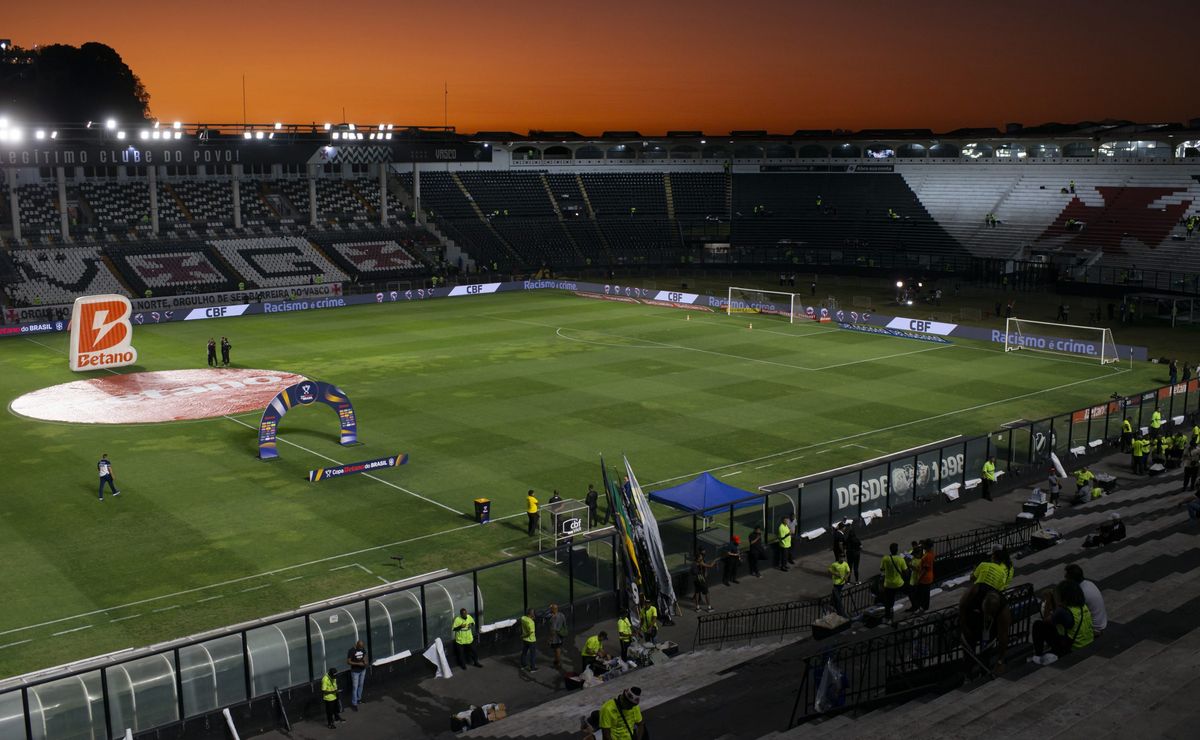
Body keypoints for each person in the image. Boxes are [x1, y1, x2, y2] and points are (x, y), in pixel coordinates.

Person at [1031, 581, 1094, 665]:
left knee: (1038, 625)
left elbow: (1045, 620)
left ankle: (1038, 655)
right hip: (1087, 642)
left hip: (1072, 647)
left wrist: (1048, 600)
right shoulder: (1082, 606)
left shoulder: (1062, 612)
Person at [1064, 564, 1107, 636]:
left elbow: (1071, 611)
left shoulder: (1080, 592)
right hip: (1101, 622)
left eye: (1067, 578)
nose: (1065, 579)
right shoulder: (1089, 583)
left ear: (1072, 580)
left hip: (1094, 628)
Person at [879, 543, 907, 624]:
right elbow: (905, 570)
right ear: (897, 550)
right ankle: (915, 606)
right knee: (909, 592)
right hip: (899, 583)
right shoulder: (900, 559)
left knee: (888, 602)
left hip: (888, 584)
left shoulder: (885, 558)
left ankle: (888, 618)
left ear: (890, 550)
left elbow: (881, 569)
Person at [912, 539, 935, 615]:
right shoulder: (929, 553)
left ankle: (922, 608)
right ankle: (924, 607)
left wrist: (919, 579)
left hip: (925, 578)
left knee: (921, 594)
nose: (923, 546)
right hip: (926, 577)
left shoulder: (928, 555)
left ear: (927, 546)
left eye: (924, 545)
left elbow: (925, 570)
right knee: (925, 593)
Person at [345, 640, 367, 710]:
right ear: (357, 645)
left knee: (361, 685)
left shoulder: (362, 649)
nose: (361, 649)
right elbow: (348, 662)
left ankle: (359, 699)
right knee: (355, 687)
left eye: (362, 647)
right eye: (360, 647)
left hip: (363, 670)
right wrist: (358, 664)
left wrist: (365, 661)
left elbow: (364, 655)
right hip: (355, 672)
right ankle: (354, 703)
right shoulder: (351, 651)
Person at [829, 551, 851, 618]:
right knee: (838, 597)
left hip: (842, 583)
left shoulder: (845, 564)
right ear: (838, 557)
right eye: (841, 557)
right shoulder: (834, 564)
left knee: (837, 594)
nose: (842, 558)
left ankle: (832, 602)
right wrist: (834, 573)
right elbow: (829, 570)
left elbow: (848, 572)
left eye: (843, 557)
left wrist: (846, 577)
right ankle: (839, 610)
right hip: (836, 583)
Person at [547, 603, 568, 669]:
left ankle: (558, 663)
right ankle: (556, 661)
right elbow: (565, 624)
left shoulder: (553, 618)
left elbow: (553, 630)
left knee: (557, 650)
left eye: (551, 609)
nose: (550, 610)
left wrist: (550, 639)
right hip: (561, 635)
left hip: (555, 637)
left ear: (553, 609)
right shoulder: (562, 615)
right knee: (558, 649)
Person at [519, 608, 538, 672]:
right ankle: (532, 668)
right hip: (531, 640)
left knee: (524, 652)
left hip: (525, 640)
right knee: (533, 654)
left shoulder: (523, 618)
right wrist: (524, 635)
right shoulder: (531, 623)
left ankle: (523, 665)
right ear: (531, 614)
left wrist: (523, 636)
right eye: (533, 614)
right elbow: (530, 633)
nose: (534, 615)